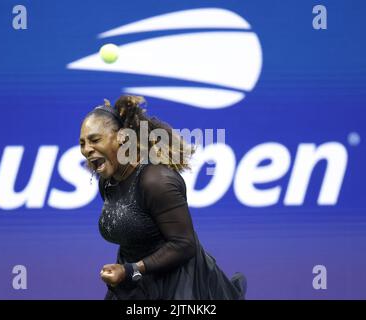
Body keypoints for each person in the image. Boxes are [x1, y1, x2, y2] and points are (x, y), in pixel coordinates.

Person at [79, 95, 246, 299]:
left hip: (181, 286)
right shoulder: (107, 182)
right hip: (138, 284)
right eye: (83, 143)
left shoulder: (156, 181)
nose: (87, 149)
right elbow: (135, 235)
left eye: (95, 140)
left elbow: (184, 244)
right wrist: (127, 271)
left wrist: (131, 270)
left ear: (122, 137)